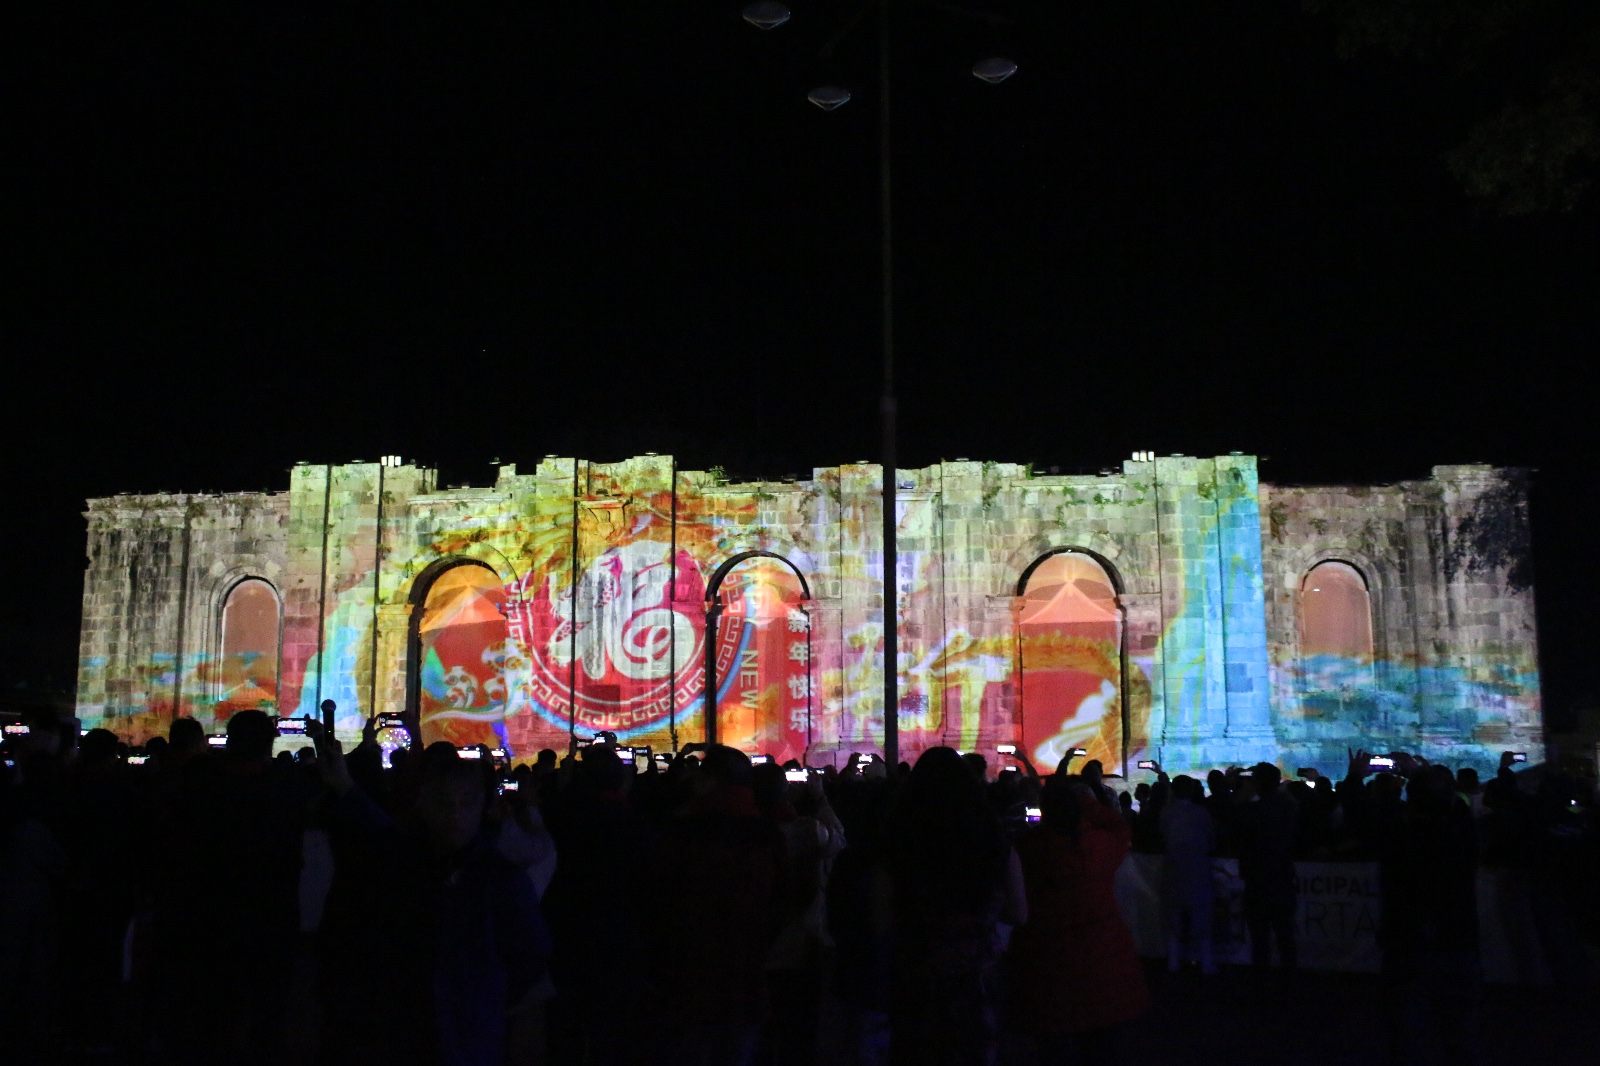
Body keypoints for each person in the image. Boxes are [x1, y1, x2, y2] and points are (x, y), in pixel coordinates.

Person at [316, 730, 550, 1066]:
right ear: (425, 803)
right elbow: (528, 965)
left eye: (465, 803)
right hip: (453, 1030)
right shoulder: (494, 875)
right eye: (445, 803)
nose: (455, 814)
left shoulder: (492, 877)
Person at [885, 747, 1025, 1066]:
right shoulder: (994, 841)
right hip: (976, 973)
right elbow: (1019, 913)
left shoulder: (897, 840)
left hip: (917, 970)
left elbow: (881, 917)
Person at [1007, 774, 1148, 1064]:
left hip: (1048, 955)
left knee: (1055, 1040)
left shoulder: (1029, 848)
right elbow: (1119, 826)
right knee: (1103, 1040)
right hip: (1102, 953)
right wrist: (1083, 800)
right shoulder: (1099, 844)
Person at [1231, 763, 1298, 972]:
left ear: (1257, 783)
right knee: (1285, 937)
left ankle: (1262, 983)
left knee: (1260, 940)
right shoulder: (1289, 807)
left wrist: (1240, 796)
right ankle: (1289, 982)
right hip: (1282, 879)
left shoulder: (1249, 811)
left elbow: (1231, 829)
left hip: (1257, 882)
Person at [1158, 774, 1216, 974]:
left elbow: (1163, 837)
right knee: (1201, 922)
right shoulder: (1201, 813)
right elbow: (1211, 839)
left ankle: (1173, 963)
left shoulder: (1166, 813)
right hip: (1198, 873)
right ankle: (1205, 963)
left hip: (1173, 872)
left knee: (1173, 923)